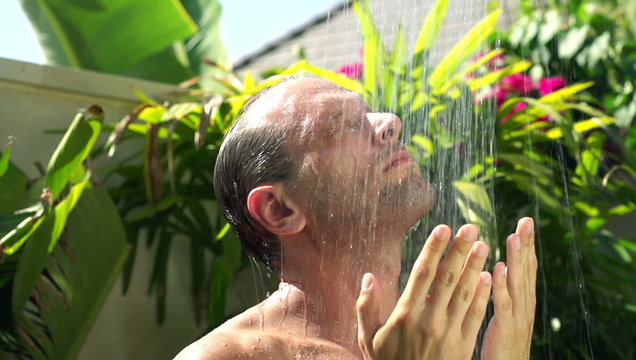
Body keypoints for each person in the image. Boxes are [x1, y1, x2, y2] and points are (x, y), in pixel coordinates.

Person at [174, 77, 537, 359]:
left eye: (368, 113)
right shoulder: (230, 357)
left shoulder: (440, 341)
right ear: (280, 209)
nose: (390, 122)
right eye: (340, 125)